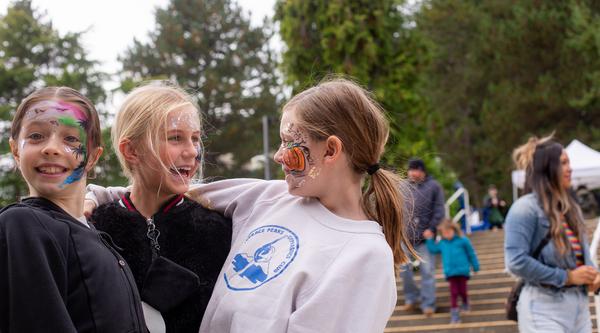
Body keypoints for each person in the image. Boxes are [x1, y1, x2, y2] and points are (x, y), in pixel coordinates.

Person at [86, 78, 417, 332]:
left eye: (289, 143)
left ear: (330, 151)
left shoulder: (364, 255)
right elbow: (157, 187)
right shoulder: (270, 198)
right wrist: (91, 198)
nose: (277, 155)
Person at [86, 83, 232, 333]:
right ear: (131, 150)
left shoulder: (218, 229)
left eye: (195, 138)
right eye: (175, 138)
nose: (192, 152)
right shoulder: (95, 230)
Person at [0, 87, 147, 332]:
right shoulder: (22, 225)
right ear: (16, 150)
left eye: (71, 139)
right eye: (36, 136)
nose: (51, 148)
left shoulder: (95, 234)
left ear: (92, 156)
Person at [505, 135, 600, 332]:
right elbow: (515, 261)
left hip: (579, 307)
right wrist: (567, 277)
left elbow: (582, 255)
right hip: (543, 307)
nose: (570, 168)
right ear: (548, 168)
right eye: (563, 163)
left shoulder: (572, 208)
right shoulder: (524, 208)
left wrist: (592, 275)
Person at [399, 158, 445, 316]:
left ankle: (428, 303)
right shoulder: (402, 186)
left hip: (425, 238)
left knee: (427, 271)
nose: (412, 172)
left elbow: (439, 209)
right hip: (405, 238)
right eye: (410, 169)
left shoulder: (434, 186)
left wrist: (431, 228)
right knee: (404, 271)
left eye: (415, 169)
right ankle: (411, 298)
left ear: (422, 171)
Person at [424, 219, 479, 324]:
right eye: (444, 233)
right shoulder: (442, 243)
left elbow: (471, 253)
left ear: (454, 230)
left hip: (463, 271)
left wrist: (475, 266)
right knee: (454, 293)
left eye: (448, 232)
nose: (447, 234)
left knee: (462, 291)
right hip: (450, 272)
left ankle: (465, 303)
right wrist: (429, 239)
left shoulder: (463, 240)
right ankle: (455, 315)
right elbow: (433, 249)